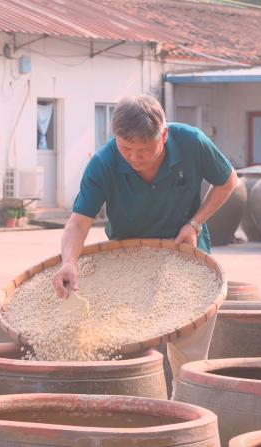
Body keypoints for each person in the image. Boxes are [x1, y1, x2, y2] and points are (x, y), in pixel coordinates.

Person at [51, 94, 238, 385]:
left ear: (163, 135)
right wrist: (68, 263)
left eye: (145, 149)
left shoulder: (191, 142)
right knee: (125, 348)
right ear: (115, 138)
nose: (136, 157)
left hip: (185, 257)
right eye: (127, 149)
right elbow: (79, 222)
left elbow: (227, 181)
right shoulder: (103, 163)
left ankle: (187, 411)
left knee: (190, 356)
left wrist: (195, 222)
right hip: (128, 261)